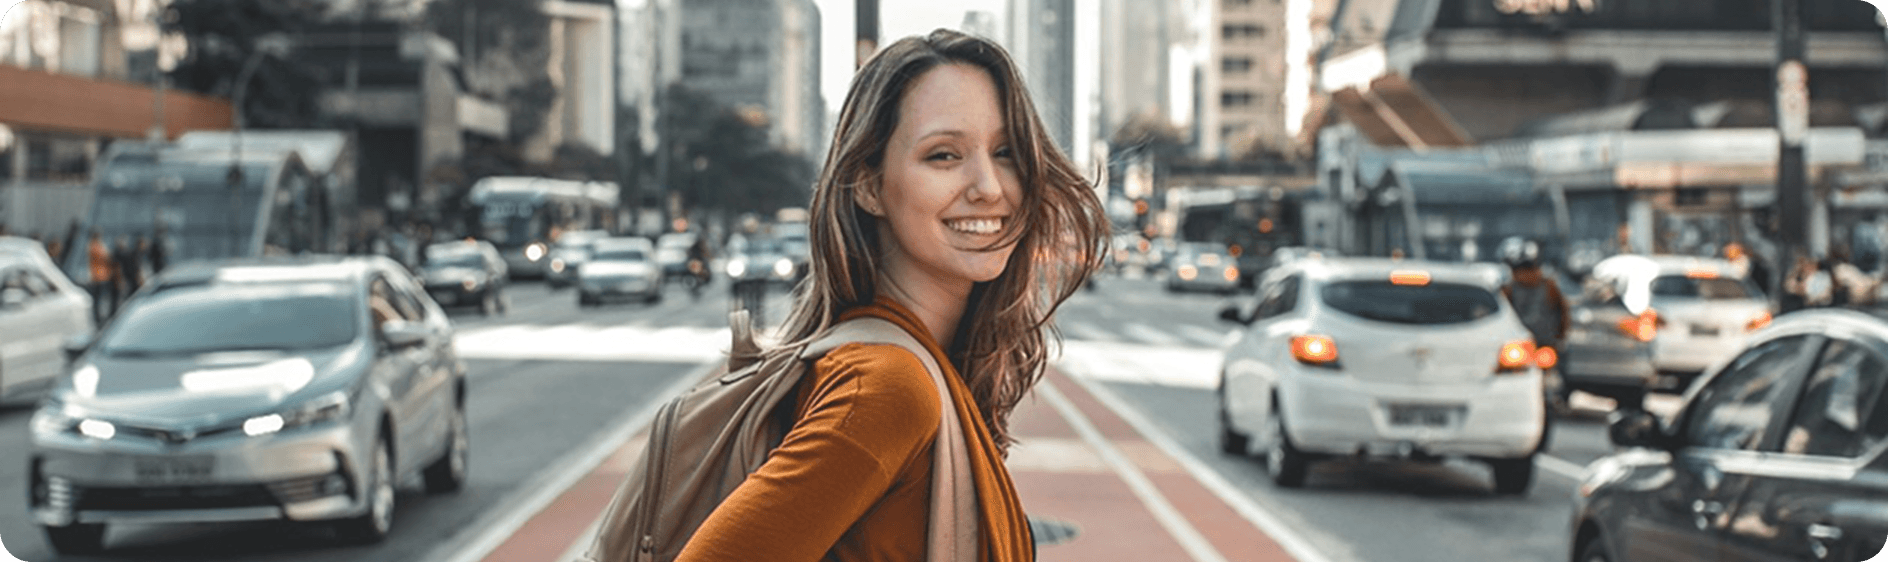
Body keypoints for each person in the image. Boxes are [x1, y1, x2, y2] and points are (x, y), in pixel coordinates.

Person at [673, 29, 1106, 562]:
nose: (989, 186)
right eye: (944, 155)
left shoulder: (909, 365)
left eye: (1006, 152)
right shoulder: (887, 389)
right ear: (870, 187)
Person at [86, 229, 115, 323]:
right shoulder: (95, 246)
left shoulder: (94, 245)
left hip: (100, 275)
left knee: (99, 298)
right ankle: (97, 318)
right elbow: (106, 257)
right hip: (99, 276)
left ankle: (98, 316)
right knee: (99, 298)